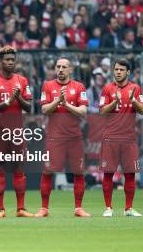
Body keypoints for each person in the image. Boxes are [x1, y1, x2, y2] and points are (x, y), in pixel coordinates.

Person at [36, 58, 91, 217]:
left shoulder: (79, 87)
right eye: (58, 67)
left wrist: (65, 104)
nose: (60, 70)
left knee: (78, 172)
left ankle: (78, 208)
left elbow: (83, 111)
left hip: (74, 138)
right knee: (47, 171)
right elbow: (45, 109)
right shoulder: (48, 85)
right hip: (54, 138)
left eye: (64, 67)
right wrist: (58, 101)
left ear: (70, 69)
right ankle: (44, 208)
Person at [0, 46, 34, 218]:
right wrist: (8, 102)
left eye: (12, 60)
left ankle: (21, 209)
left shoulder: (22, 80)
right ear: (1, 62)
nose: (10, 62)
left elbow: (29, 107)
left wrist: (18, 98)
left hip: (17, 131)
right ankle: (1, 209)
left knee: (20, 169)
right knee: (0, 170)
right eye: (7, 60)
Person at [99, 59, 143, 217]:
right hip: (110, 138)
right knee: (108, 173)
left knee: (130, 174)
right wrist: (115, 102)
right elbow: (102, 111)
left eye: (121, 70)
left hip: (129, 139)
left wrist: (133, 100)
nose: (118, 72)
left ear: (128, 72)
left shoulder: (135, 88)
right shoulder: (107, 88)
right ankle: (108, 208)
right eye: (116, 69)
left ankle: (128, 208)